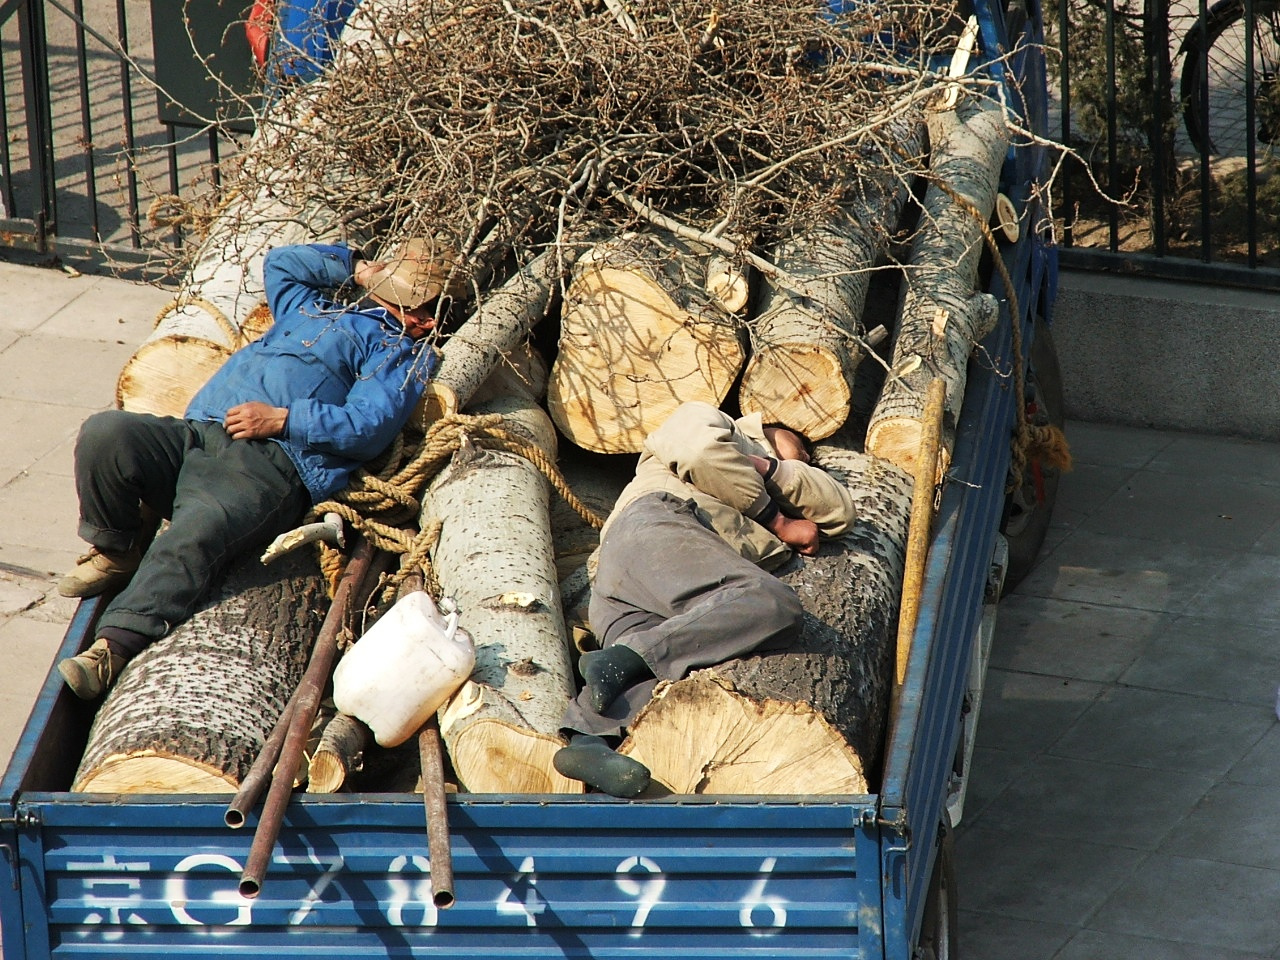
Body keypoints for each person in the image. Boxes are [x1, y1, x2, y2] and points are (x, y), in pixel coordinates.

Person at [55, 237, 464, 700]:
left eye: (396, 294)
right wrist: (357, 267)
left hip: (267, 465)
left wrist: (286, 419)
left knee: (196, 530)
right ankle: (117, 548)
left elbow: (368, 426)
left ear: (423, 320)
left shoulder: (397, 352)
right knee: (107, 434)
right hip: (199, 433)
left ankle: (113, 646)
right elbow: (283, 264)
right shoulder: (313, 309)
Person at [553, 400, 857, 797]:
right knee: (771, 603)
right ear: (767, 427)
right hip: (659, 528)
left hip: (639, 583)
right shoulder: (714, 421)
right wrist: (777, 519)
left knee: (652, 678)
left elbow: (839, 513)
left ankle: (587, 742)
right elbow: (698, 449)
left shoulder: (764, 469)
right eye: (798, 446)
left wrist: (770, 468)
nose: (803, 456)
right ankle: (622, 658)